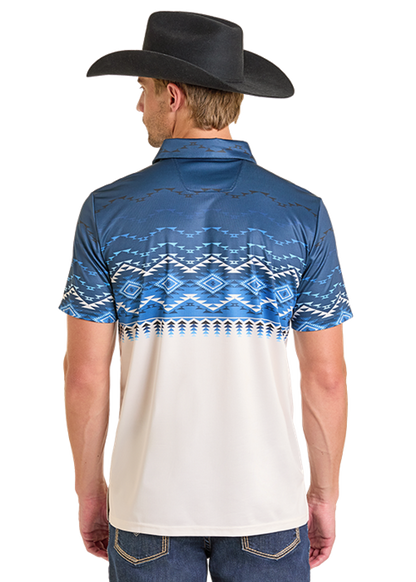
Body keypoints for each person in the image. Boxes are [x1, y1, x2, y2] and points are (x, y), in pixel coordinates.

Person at [57, 8, 355, 582]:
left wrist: (90, 492)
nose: (137, 105)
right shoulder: (301, 212)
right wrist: (323, 497)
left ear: (172, 97)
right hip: (268, 506)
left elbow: (86, 374)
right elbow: (327, 377)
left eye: (142, 90)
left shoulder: (107, 211)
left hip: (148, 507)